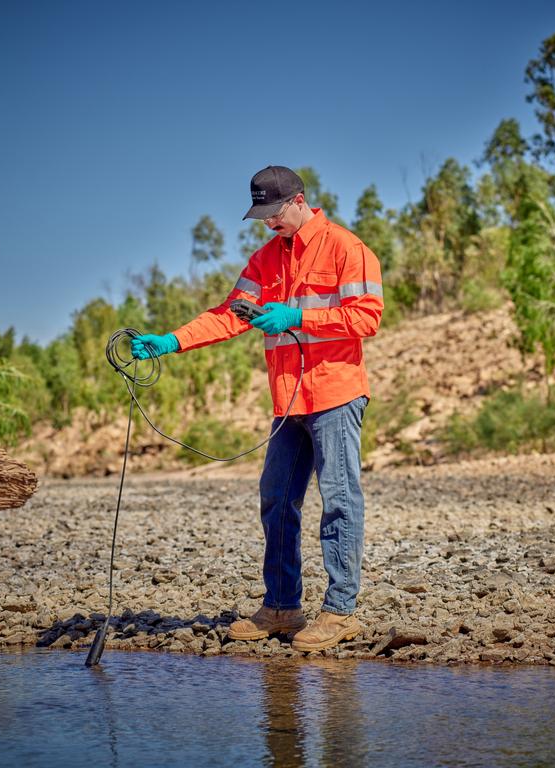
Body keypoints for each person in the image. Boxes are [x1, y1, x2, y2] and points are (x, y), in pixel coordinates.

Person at [131, 165, 383, 651]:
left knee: (339, 499)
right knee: (276, 497)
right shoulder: (264, 260)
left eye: (274, 213)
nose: (269, 223)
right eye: (261, 215)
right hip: (289, 399)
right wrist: (170, 342)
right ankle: (283, 607)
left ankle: (340, 611)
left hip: (336, 393)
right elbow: (229, 315)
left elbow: (366, 317)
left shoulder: (347, 249)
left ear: (299, 200)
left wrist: (297, 315)